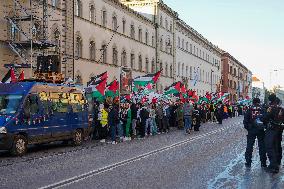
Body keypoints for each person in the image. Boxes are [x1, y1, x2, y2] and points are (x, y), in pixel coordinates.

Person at [262, 94, 284, 173]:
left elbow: (265, 118)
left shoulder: (270, 108)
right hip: (279, 130)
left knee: (270, 147)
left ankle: (273, 166)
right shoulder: (281, 108)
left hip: (271, 129)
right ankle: (277, 163)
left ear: (270, 100)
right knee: (277, 147)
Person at [243, 98, 267, 168]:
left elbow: (245, 121)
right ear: (259, 102)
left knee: (249, 146)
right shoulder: (263, 109)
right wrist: (263, 127)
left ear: (253, 102)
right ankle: (263, 163)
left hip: (252, 130)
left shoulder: (249, 109)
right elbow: (266, 119)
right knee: (262, 146)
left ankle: (248, 162)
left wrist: (249, 128)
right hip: (261, 130)